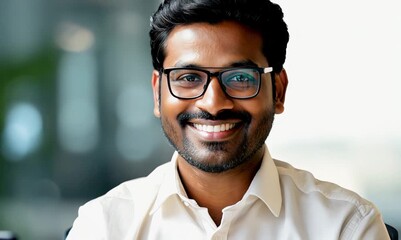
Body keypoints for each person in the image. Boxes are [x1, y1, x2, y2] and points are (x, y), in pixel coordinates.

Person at [66, 0, 390, 239]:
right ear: (157, 93)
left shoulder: (346, 226)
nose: (213, 103)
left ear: (277, 91)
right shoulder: (105, 225)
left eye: (240, 78)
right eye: (188, 77)